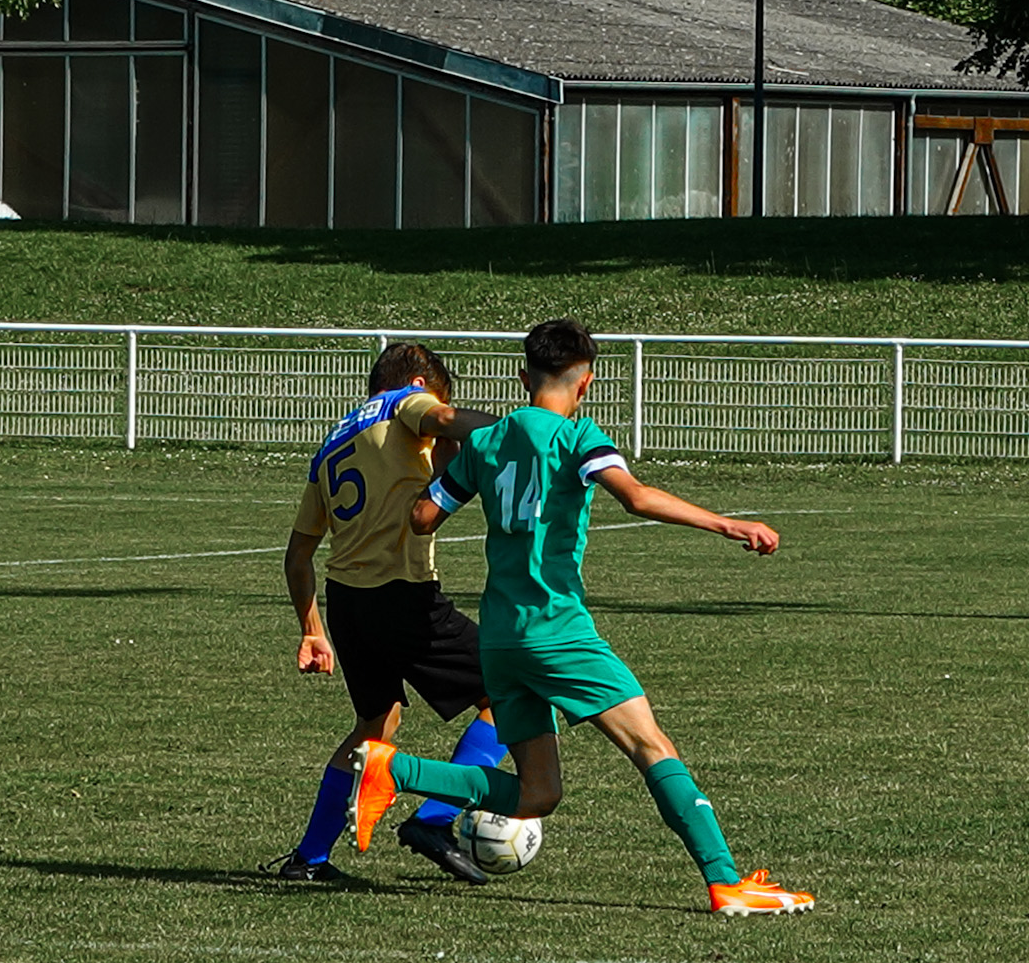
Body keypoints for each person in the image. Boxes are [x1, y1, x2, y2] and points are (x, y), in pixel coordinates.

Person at [346, 319, 814, 916]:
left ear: (524, 377)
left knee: (539, 793)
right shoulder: (578, 436)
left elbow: (421, 518)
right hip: (557, 630)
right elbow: (637, 497)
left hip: (501, 639)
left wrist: (452, 465)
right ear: (585, 382)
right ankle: (725, 881)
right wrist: (730, 523)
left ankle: (393, 766)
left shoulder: (488, 442)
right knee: (652, 745)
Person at [266, 341, 509, 885]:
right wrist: (524, 431)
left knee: (376, 724)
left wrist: (312, 630)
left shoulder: (332, 441)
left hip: (347, 602)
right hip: (402, 596)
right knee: (508, 697)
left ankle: (308, 859)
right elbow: (445, 418)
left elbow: (298, 554)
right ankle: (436, 818)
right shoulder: (408, 402)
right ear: (419, 383)